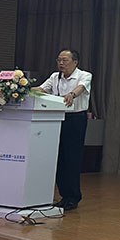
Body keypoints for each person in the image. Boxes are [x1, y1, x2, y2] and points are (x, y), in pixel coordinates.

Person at [38, 49, 92, 211]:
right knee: (59, 158)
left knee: (72, 158)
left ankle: (73, 197)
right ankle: (64, 196)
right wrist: (20, 90)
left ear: (75, 62)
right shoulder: (55, 77)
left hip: (75, 120)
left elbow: (80, 88)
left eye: (65, 60)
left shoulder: (84, 75)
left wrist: (71, 95)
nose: (61, 63)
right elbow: (41, 89)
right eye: (59, 60)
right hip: (55, 119)